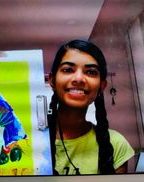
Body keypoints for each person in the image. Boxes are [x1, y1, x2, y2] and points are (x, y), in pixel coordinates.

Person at [48, 39, 134, 175]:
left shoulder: (115, 143)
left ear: (102, 86)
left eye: (91, 72)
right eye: (67, 69)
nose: (79, 79)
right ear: (52, 81)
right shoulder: (28, 140)